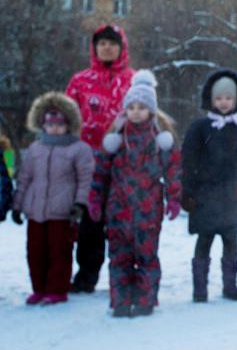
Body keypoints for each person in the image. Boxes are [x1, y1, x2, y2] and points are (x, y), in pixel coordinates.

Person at [88, 70, 181, 317]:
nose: (136, 111)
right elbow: (100, 171)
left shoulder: (160, 139)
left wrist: (174, 198)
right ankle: (120, 299)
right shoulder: (116, 138)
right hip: (119, 208)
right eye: (131, 106)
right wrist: (95, 199)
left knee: (147, 256)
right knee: (119, 257)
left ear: (151, 110)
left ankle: (145, 299)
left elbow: (173, 169)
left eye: (142, 106)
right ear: (125, 109)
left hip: (148, 209)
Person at [181, 70, 237, 303]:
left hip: (234, 197)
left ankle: (230, 285)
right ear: (211, 99)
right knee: (204, 241)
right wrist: (187, 192)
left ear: (236, 100)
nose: (224, 102)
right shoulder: (199, 128)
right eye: (219, 98)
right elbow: (188, 162)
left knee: (231, 241)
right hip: (205, 196)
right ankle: (200, 288)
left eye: (228, 98)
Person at [65, 24, 135, 293]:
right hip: (88, 165)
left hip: (124, 165)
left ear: (121, 47)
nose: (107, 47)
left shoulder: (134, 80)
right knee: (90, 224)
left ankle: (124, 273)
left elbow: (147, 118)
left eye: (112, 43)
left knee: (123, 223)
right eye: (102, 43)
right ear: (95, 48)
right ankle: (86, 275)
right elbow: (68, 119)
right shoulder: (80, 80)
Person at [12, 92, 94, 305]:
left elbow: (85, 179)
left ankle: (57, 289)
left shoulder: (78, 149)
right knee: (35, 251)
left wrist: (80, 203)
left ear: (69, 124)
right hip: (36, 210)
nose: (54, 128)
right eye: (50, 124)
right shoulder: (35, 149)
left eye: (60, 124)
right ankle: (39, 287)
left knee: (60, 251)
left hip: (63, 210)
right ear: (42, 125)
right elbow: (25, 178)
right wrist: (18, 205)